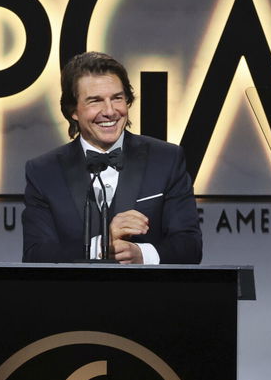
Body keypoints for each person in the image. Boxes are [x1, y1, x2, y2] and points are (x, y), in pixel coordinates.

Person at [22, 52, 202, 264]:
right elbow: (36, 255)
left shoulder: (167, 159)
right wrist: (100, 246)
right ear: (73, 111)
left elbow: (190, 246)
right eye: (95, 101)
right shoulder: (44, 172)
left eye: (117, 98)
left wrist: (142, 254)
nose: (110, 111)